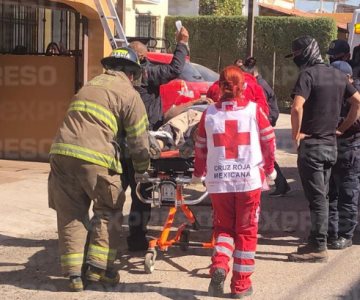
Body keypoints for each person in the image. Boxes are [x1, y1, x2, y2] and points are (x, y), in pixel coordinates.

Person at [48, 47, 150, 291]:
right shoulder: (129, 94)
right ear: (132, 74)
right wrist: (141, 170)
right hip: (96, 158)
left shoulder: (89, 85)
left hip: (61, 155)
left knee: (71, 213)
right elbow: (139, 140)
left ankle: (74, 275)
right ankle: (99, 270)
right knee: (109, 210)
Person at [192, 66, 276, 298]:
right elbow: (269, 142)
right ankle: (240, 286)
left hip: (218, 183)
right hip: (248, 183)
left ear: (218, 86)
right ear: (244, 87)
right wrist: (269, 170)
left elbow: (200, 147)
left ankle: (220, 265)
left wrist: (198, 173)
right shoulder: (253, 110)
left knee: (224, 229)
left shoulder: (208, 113)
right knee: (246, 232)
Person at [286, 36, 360, 263]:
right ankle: (315, 240)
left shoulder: (307, 76)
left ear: (306, 53)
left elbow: (297, 107)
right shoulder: (338, 75)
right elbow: (357, 101)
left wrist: (296, 135)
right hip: (331, 147)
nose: (296, 59)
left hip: (313, 148)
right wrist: (342, 127)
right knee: (324, 196)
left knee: (318, 199)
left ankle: (318, 246)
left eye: (297, 54)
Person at [123, 26, 190, 252]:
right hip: (141, 140)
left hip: (119, 141)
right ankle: (136, 237)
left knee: (115, 190)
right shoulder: (146, 73)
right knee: (141, 192)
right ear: (142, 58)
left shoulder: (121, 76)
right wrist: (182, 43)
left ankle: (104, 233)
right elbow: (175, 68)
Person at [241, 56, 291, 197]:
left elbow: (261, 107)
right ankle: (282, 184)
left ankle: (280, 184)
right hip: (266, 118)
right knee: (264, 154)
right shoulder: (260, 82)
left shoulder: (259, 85)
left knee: (264, 154)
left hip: (265, 119)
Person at [328, 61, 360, 250]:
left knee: (348, 193)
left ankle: (345, 234)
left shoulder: (354, 94)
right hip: (333, 148)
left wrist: (336, 126)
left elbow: (356, 121)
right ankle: (332, 232)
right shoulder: (334, 92)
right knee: (330, 192)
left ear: (348, 78)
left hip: (350, 149)